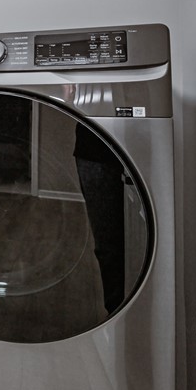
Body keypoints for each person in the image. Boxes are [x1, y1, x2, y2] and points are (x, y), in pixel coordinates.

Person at [74, 124, 125, 316]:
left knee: (145, 239)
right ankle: (115, 317)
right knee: (108, 246)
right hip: (94, 147)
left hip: (143, 139)